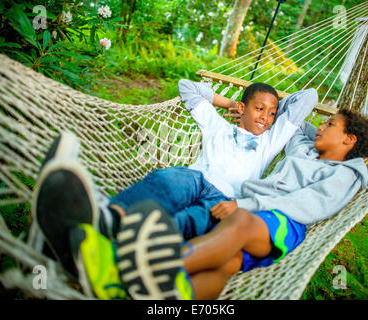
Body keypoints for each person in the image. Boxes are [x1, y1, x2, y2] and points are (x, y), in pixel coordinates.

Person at [32, 108, 368, 300]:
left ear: (349, 140)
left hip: (283, 221)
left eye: (330, 124)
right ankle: (158, 292)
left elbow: (309, 203)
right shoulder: (304, 149)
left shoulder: (346, 174)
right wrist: (255, 106)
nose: (321, 126)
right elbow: (299, 118)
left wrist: (247, 204)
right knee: (225, 265)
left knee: (237, 224)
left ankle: (142, 268)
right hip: (251, 213)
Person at [102, 79, 318, 241]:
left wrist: (276, 109)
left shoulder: (271, 140)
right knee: (166, 181)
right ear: (243, 108)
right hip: (194, 178)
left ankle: (142, 236)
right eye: (259, 109)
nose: (265, 117)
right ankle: (114, 214)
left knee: (197, 220)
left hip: (225, 198)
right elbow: (187, 86)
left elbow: (309, 97)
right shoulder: (217, 124)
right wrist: (231, 104)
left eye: (272, 114)